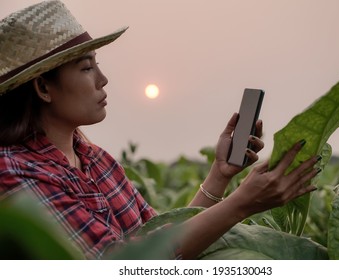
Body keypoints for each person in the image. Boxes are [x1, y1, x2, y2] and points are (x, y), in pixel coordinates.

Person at [0, 0, 320, 260]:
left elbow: (161, 240)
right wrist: (242, 203)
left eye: (97, 64)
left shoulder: (98, 161)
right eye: (86, 68)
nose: (103, 79)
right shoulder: (13, 173)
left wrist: (220, 175)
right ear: (43, 86)